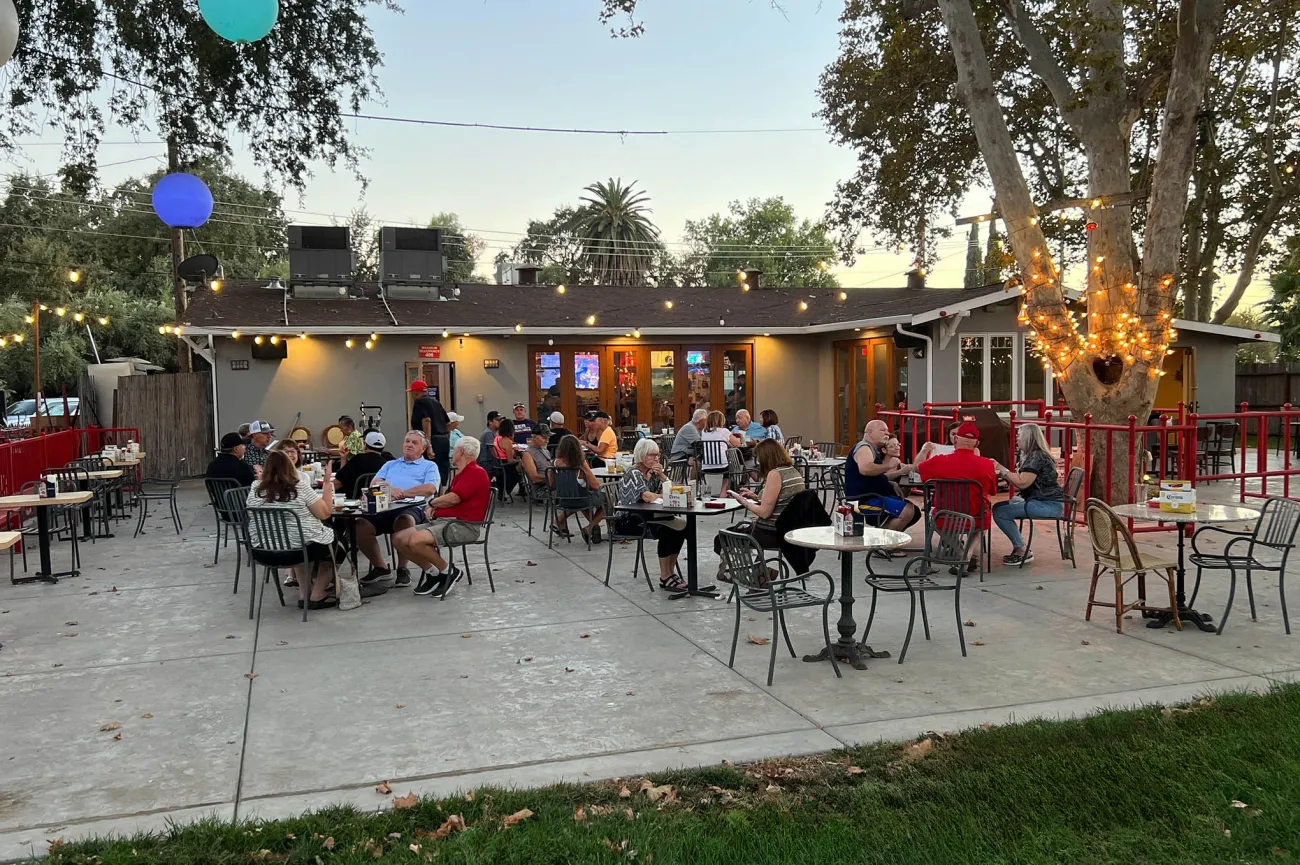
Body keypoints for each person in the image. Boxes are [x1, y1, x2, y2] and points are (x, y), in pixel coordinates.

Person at [246, 450, 355, 611]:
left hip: (263, 551)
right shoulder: (299, 487)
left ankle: (304, 595)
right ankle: (317, 594)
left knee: (299, 539)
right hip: (297, 551)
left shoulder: (255, 489)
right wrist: (327, 483)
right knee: (338, 543)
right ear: (290, 468)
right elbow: (325, 513)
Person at [397, 437, 492, 598]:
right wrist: (436, 508)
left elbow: (454, 498)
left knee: (415, 540)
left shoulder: (476, 472)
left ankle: (449, 572)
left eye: (454, 450)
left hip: (464, 526)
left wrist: (432, 503)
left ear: (461, 452)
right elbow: (451, 499)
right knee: (399, 539)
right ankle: (433, 573)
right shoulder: (462, 474)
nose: (452, 454)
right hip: (447, 521)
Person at [355, 430, 440, 588]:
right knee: (360, 525)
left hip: (415, 507)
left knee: (403, 520)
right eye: (407, 441)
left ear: (423, 448)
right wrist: (390, 490)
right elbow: (374, 483)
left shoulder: (429, 466)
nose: (409, 445)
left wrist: (403, 493)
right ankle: (381, 567)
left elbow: (430, 488)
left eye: (414, 442)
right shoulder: (390, 464)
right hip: (386, 506)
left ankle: (403, 568)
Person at [917, 421, 997, 571]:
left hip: (945, 518)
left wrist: (924, 450)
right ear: (976, 444)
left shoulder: (939, 461)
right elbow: (992, 491)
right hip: (976, 519)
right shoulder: (987, 464)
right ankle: (967, 556)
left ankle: (960, 552)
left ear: (955, 439)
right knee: (984, 520)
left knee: (933, 517)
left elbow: (917, 468)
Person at [617, 437, 688, 592]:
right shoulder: (634, 473)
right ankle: (664, 576)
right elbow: (648, 497)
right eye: (652, 455)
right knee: (667, 530)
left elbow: (674, 491)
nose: (656, 458)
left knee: (683, 527)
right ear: (641, 455)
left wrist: (662, 476)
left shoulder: (653, 473)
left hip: (650, 516)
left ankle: (670, 572)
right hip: (629, 520)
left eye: (657, 455)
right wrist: (663, 495)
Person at [991, 423, 1065, 566]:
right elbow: (1020, 482)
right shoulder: (1035, 455)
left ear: (1028, 438)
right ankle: (1020, 547)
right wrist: (1004, 476)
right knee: (999, 506)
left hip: (1047, 504)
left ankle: (1022, 550)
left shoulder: (1037, 457)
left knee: (1000, 512)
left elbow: (1023, 482)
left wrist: (1001, 469)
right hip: (1044, 501)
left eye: (1019, 436)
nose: (1017, 439)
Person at [721, 438, 806, 552]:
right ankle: (752, 562)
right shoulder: (792, 471)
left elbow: (765, 513)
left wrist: (744, 502)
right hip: (791, 529)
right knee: (736, 531)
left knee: (721, 538)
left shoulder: (775, 474)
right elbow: (781, 499)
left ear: (766, 458)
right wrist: (755, 497)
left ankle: (748, 563)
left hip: (772, 532)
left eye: (759, 459)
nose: (759, 463)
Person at [844, 419, 921, 532]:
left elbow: (873, 476)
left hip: (874, 496)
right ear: (869, 432)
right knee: (907, 511)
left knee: (915, 512)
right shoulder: (864, 447)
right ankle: (883, 540)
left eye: (887, 430)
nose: (887, 433)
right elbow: (865, 469)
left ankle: (881, 536)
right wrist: (889, 466)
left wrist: (889, 482)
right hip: (864, 501)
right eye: (882, 430)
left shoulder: (872, 450)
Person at [552, 434, 605, 542]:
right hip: (581, 500)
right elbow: (595, 486)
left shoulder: (554, 463)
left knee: (579, 496)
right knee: (609, 500)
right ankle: (590, 527)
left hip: (562, 500)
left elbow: (552, 484)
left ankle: (560, 520)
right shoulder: (580, 464)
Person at [409, 379, 451, 484]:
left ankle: (430, 492)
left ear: (416, 393)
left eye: (412, 393)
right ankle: (442, 491)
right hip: (443, 440)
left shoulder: (419, 403)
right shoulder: (436, 402)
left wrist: (428, 444)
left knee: (429, 471)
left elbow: (426, 420)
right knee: (441, 471)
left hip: (432, 440)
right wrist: (447, 439)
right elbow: (448, 423)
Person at [334, 430, 395, 497]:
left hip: (353, 500)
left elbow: (337, 483)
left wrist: (343, 459)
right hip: (378, 500)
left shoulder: (357, 460)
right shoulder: (386, 463)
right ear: (383, 447)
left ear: (365, 445)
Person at [701, 410, 742, 492]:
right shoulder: (724, 431)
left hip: (706, 465)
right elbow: (738, 444)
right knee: (732, 467)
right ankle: (724, 491)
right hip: (722, 465)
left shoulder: (703, 432)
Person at [493, 418, 522, 497]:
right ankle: (509, 490)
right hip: (506, 466)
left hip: (498, 463)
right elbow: (510, 460)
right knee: (521, 466)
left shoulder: (497, 438)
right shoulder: (507, 441)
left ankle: (503, 491)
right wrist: (518, 460)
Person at [520, 424, 553, 488]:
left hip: (551, 485)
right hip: (542, 488)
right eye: (544, 438)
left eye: (548, 438)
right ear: (534, 437)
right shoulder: (527, 454)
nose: (547, 441)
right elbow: (534, 478)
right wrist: (553, 478)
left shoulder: (546, 451)